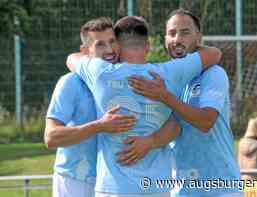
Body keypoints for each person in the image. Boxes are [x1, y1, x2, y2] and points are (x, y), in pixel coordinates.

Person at [66, 15, 222, 196]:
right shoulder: (171, 72)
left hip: (113, 188)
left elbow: (71, 58)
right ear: (147, 45)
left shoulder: (99, 72)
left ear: (116, 45)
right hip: (156, 187)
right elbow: (214, 53)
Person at [121, 9, 242, 196]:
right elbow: (173, 125)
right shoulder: (163, 77)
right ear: (164, 39)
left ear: (199, 37)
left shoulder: (214, 74)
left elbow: (206, 122)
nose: (177, 39)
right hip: (181, 190)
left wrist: (164, 96)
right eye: (172, 33)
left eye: (185, 32)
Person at [45, 17, 136, 197]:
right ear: (85, 51)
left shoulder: (128, 79)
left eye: (112, 42)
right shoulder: (70, 83)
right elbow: (51, 137)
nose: (109, 50)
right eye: (100, 45)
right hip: (74, 180)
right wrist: (99, 125)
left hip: (114, 183)